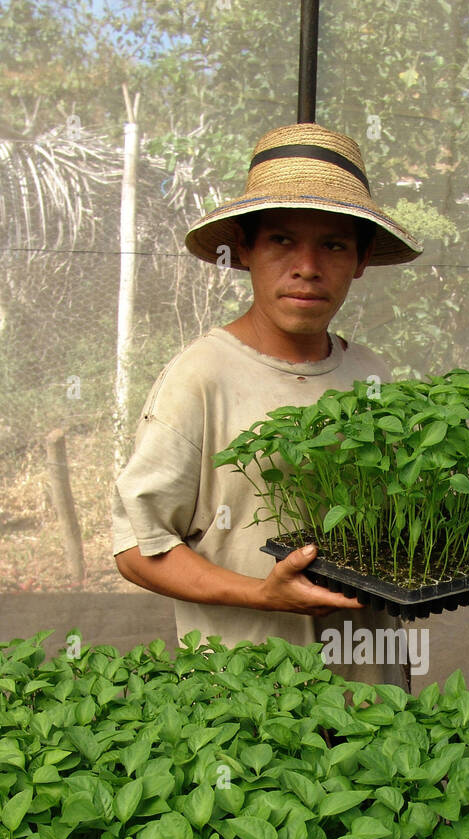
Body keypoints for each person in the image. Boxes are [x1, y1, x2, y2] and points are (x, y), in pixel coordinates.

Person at [112, 122, 422, 690]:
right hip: (251, 708)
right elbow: (138, 547)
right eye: (282, 240)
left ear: (359, 260)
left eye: (333, 244)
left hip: (373, 696)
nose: (307, 266)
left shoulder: (371, 373)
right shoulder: (201, 377)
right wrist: (262, 594)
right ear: (246, 251)